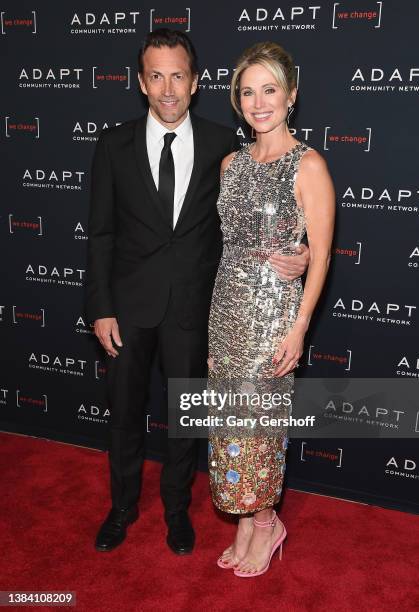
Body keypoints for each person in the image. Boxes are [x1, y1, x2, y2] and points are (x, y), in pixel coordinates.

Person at [84, 29, 310, 555]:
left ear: (195, 82)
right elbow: (100, 234)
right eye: (156, 76)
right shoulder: (112, 144)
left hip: (194, 308)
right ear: (141, 82)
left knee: (186, 419)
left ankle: (176, 513)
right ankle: (121, 509)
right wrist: (100, 307)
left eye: (178, 75)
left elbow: (251, 225)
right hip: (128, 308)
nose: (168, 88)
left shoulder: (221, 148)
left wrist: (299, 254)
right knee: (123, 415)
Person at [207, 41, 335, 577]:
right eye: (247, 92)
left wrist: (299, 326)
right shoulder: (230, 165)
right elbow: (229, 246)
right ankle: (245, 519)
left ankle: (266, 525)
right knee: (227, 426)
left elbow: (322, 255)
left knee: (259, 427)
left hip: (273, 315)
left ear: (291, 96)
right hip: (227, 306)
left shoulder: (308, 165)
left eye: (269, 90)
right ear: (238, 101)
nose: (258, 102)